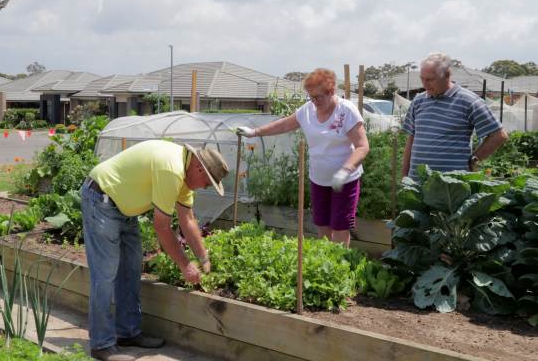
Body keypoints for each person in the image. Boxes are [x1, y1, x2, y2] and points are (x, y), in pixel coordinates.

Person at [80, 139, 229, 361]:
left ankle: (127, 333)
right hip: (101, 199)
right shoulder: (172, 169)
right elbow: (162, 228)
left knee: (131, 269)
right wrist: (185, 265)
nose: (205, 187)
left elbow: (187, 219)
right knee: (105, 274)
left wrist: (203, 258)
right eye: (208, 182)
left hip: (123, 207)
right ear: (199, 168)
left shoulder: (184, 176)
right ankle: (101, 344)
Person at [236, 68, 369, 247]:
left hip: (345, 181)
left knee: (340, 226)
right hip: (319, 179)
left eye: (318, 97)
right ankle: (324, 261)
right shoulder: (307, 110)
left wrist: (345, 170)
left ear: (331, 92)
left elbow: (362, 147)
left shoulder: (346, 111)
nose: (314, 101)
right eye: (310, 97)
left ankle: (338, 265)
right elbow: (283, 125)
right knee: (322, 225)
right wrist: (254, 132)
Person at [402, 52, 508, 179]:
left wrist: (473, 160)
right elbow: (411, 141)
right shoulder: (418, 101)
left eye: (430, 79)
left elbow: (499, 136)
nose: (425, 84)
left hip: (452, 188)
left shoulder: (469, 101)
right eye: (422, 79)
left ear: (447, 75)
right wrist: (405, 176)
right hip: (417, 184)